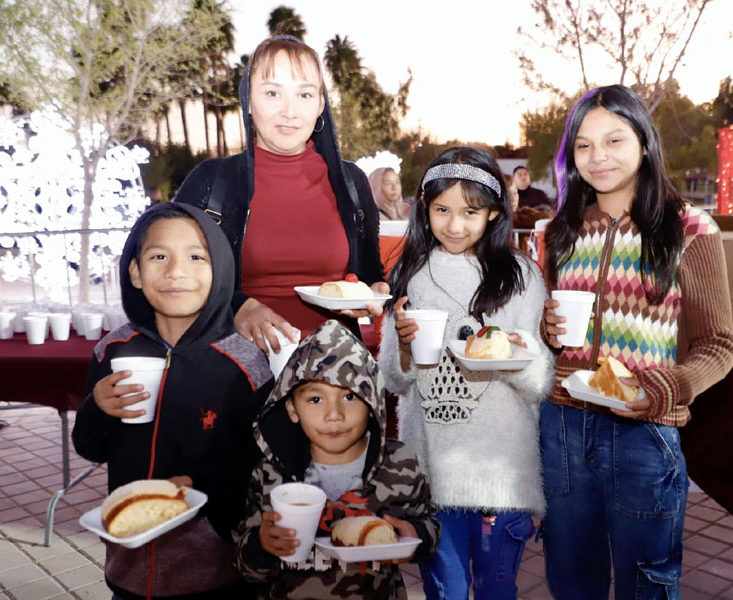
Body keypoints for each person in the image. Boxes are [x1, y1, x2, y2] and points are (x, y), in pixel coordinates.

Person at [539, 84, 733, 600]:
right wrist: (548, 329)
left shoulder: (688, 228)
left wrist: (664, 389)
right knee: (569, 579)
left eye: (614, 140)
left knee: (646, 583)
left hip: (645, 433)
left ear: (644, 144)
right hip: (562, 425)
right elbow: (550, 329)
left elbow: (719, 345)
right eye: (583, 145)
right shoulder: (557, 232)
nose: (598, 156)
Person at [378, 146, 554, 599]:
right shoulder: (411, 274)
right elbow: (397, 383)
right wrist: (401, 342)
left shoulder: (521, 276)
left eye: (470, 211)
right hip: (434, 474)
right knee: (445, 591)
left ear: (495, 212)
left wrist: (519, 350)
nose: (455, 225)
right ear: (424, 208)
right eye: (442, 210)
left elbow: (538, 383)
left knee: (497, 590)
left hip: (502, 473)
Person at [72, 203, 273, 599]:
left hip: (215, 570)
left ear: (220, 273)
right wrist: (97, 407)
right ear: (135, 271)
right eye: (158, 256)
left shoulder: (244, 363)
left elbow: (264, 467)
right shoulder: (112, 350)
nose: (176, 271)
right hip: (130, 563)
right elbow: (89, 445)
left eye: (196, 256)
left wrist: (200, 490)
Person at [175, 36, 386, 353]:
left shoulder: (351, 183)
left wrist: (374, 293)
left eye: (304, 94)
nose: (289, 111)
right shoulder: (210, 183)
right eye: (273, 93)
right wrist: (240, 307)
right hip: (238, 371)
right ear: (248, 100)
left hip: (332, 371)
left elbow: (370, 276)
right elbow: (176, 281)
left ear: (320, 105)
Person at [235, 319, 440, 599]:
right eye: (315, 400)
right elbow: (247, 569)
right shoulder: (270, 474)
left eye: (350, 397)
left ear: (373, 405)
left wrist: (415, 536)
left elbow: (428, 527)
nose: (334, 415)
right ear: (292, 408)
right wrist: (262, 545)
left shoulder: (399, 464)